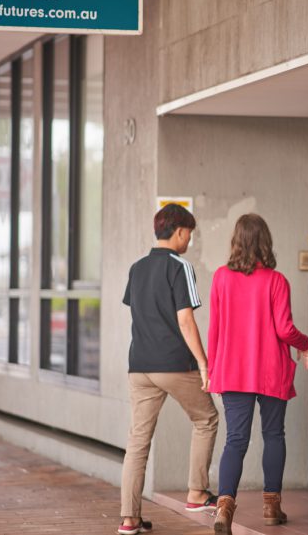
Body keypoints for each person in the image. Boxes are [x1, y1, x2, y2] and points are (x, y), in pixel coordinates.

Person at [207, 213, 308, 533]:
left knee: (235, 440)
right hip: (270, 370)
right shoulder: (277, 280)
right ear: (265, 241)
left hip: (233, 370)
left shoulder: (221, 278)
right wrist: (305, 344)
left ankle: (224, 508)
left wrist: (213, 370)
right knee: (273, 435)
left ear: (236, 241)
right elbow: (284, 329)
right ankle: (271, 507)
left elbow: (214, 329)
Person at [119, 204, 220, 535]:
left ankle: (129, 519)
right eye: (189, 232)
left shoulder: (136, 268)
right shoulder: (181, 267)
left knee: (137, 441)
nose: (190, 239)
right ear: (179, 231)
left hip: (139, 366)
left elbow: (139, 313)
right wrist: (204, 364)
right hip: (174, 363)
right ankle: (196, 492)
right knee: (206, 419)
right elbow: (185, 319)